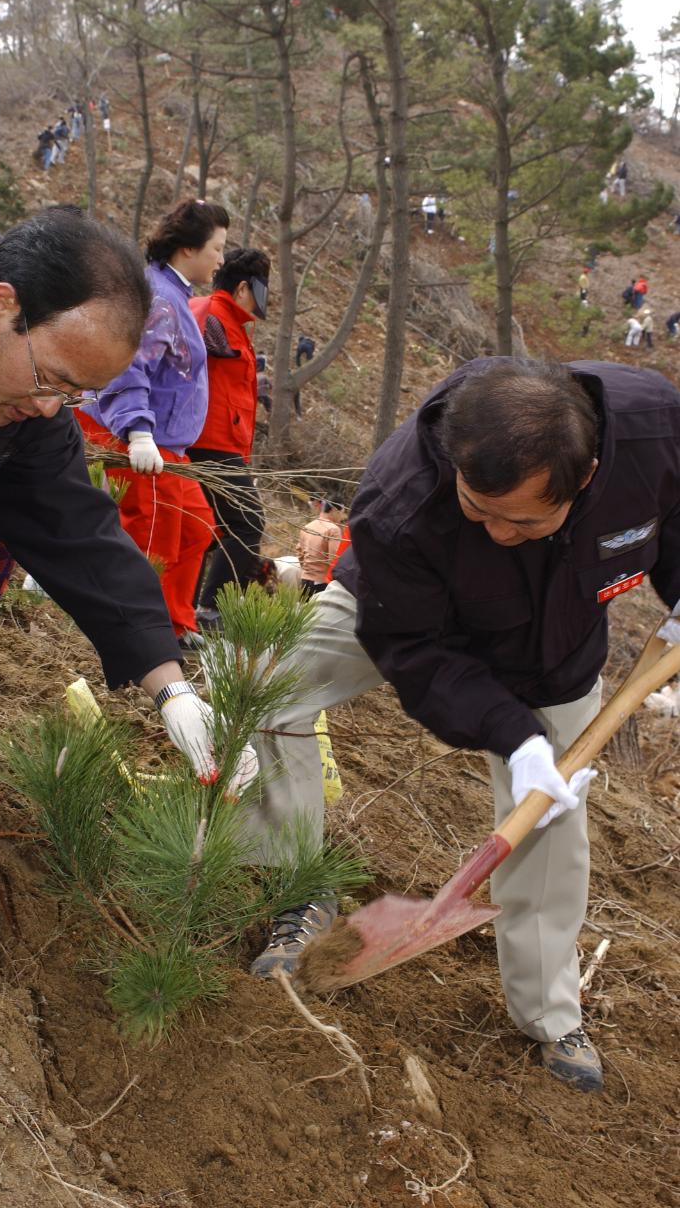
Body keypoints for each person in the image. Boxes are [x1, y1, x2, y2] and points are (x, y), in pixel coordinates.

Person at [246, 357, 680, 1094]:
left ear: (589, 474)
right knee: (270, 688)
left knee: (548, 822)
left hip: (558, 646)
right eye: (480, 508)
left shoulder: (654, 428)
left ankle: (548, 1013)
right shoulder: (403, 501)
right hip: (406, 614)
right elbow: (417, 655)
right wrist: (518, 737)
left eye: (525, 518)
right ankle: (298, 888)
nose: (499, 531)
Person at [0, 199, 255, 807]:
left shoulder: (31, 390)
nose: (49, 407)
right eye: (51, 379)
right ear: (0, 304)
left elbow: (78, 530)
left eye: (76, 393)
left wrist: (173, 689)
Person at [76, 199, 229, 648]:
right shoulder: (159, 298)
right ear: (187, 249)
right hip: (138, 438)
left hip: (169, 446)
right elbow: (130, 367)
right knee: (151, 535)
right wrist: (138, 431)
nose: (221, 259)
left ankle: (174, 619)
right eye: (216, 248)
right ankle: (137, 628)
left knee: (197, 524)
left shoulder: (176, 295)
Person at [187, 248, 271, 629]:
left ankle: (185, 612)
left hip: (226, 442)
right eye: (260, 290)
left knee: (204, 530)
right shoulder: (207, 310)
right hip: (207, 440)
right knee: (248, 520)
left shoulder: (236, 324)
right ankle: (209, 609)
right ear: (242, 288)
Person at [296, 500, 344, 595]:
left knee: (306, 609)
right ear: (334, 510)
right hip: (322, 582)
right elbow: (334, 558)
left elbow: (299, 553)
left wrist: (308, 570)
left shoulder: (307, 527)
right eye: (341, 513)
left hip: (305, 580)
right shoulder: (333, 529)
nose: (341, 517)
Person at [293, 333, 316, 420]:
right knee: (310, 360)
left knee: (298, 356)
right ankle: (309, 368)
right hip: (309, 348)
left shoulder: (300, 342)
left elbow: (297, 355)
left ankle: (299, 366)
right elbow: (312, 350)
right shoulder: (310, 341)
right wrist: (310, 357)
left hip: (301, 348)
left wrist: (298, 364)